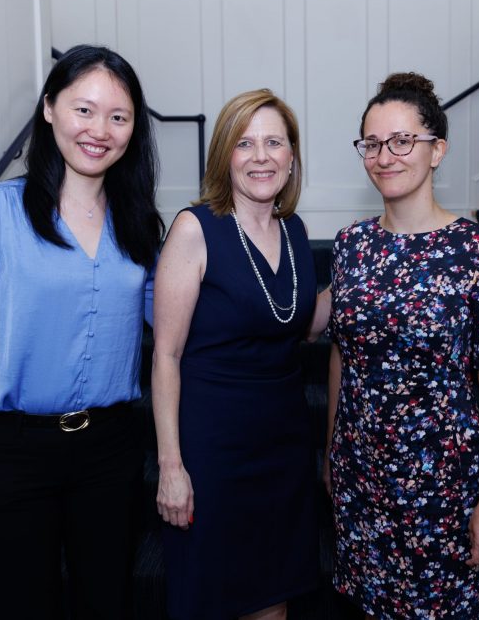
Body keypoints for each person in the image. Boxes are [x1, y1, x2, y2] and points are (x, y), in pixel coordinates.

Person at [0, 45, 164, 620]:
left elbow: (172, 325)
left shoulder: (138, 224)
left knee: (108, 606)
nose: (99, 130)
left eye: (118, 117)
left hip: (110, 451)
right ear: (50, 109)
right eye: (84, 109)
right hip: (9, 455)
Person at [325, 72, 479, 618]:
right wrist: (330, 456)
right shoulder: (352, 245)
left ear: (437, 151)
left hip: (443, 488)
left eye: (402, 141)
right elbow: (342, 355)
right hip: (360, 477)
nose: (385, 156)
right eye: (372, 143)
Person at [152, 88, 325, 620]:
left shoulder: (294, 230)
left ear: (292, 156)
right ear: (224, 154)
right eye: (245, 143)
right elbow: (165, 356)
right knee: (214, 599)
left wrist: (372, 268)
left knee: (273, 600)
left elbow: (297, 326)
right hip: (214, 452)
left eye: (274, 142)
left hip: (284, 447)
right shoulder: (194, 228)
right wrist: (171, 466)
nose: (261, 156)